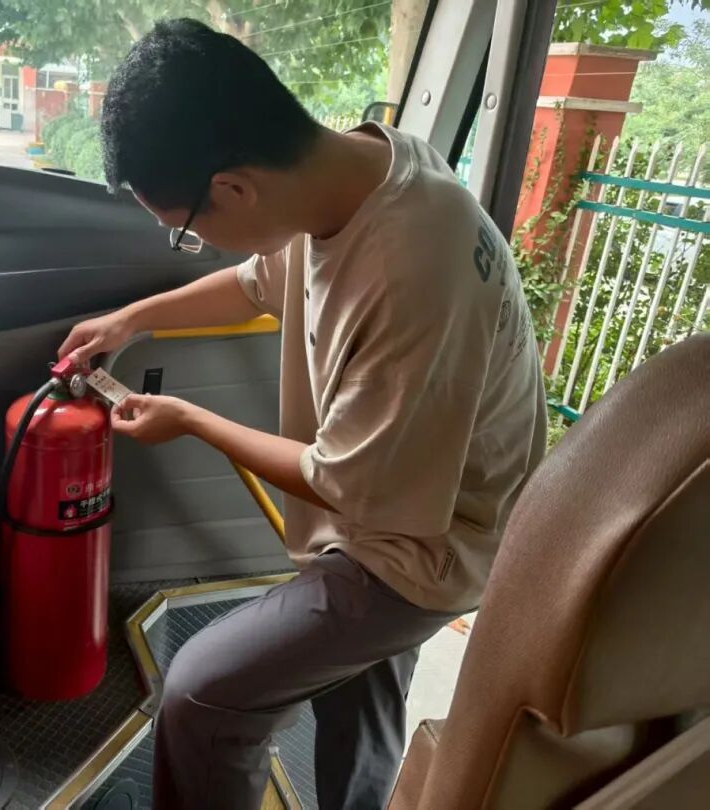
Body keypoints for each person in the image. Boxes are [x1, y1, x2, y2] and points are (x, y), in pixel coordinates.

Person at [58, 18, 547, 810]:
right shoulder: (354, 175)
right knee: (358, 693)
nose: (197, 244)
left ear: (234, 189)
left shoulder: (410, 267)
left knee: (204, 693)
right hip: (400, 500)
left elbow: (345, 483)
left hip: (425, 548)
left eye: (185, 231)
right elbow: (256, 282)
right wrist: (132, 319)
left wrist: (190, 419)